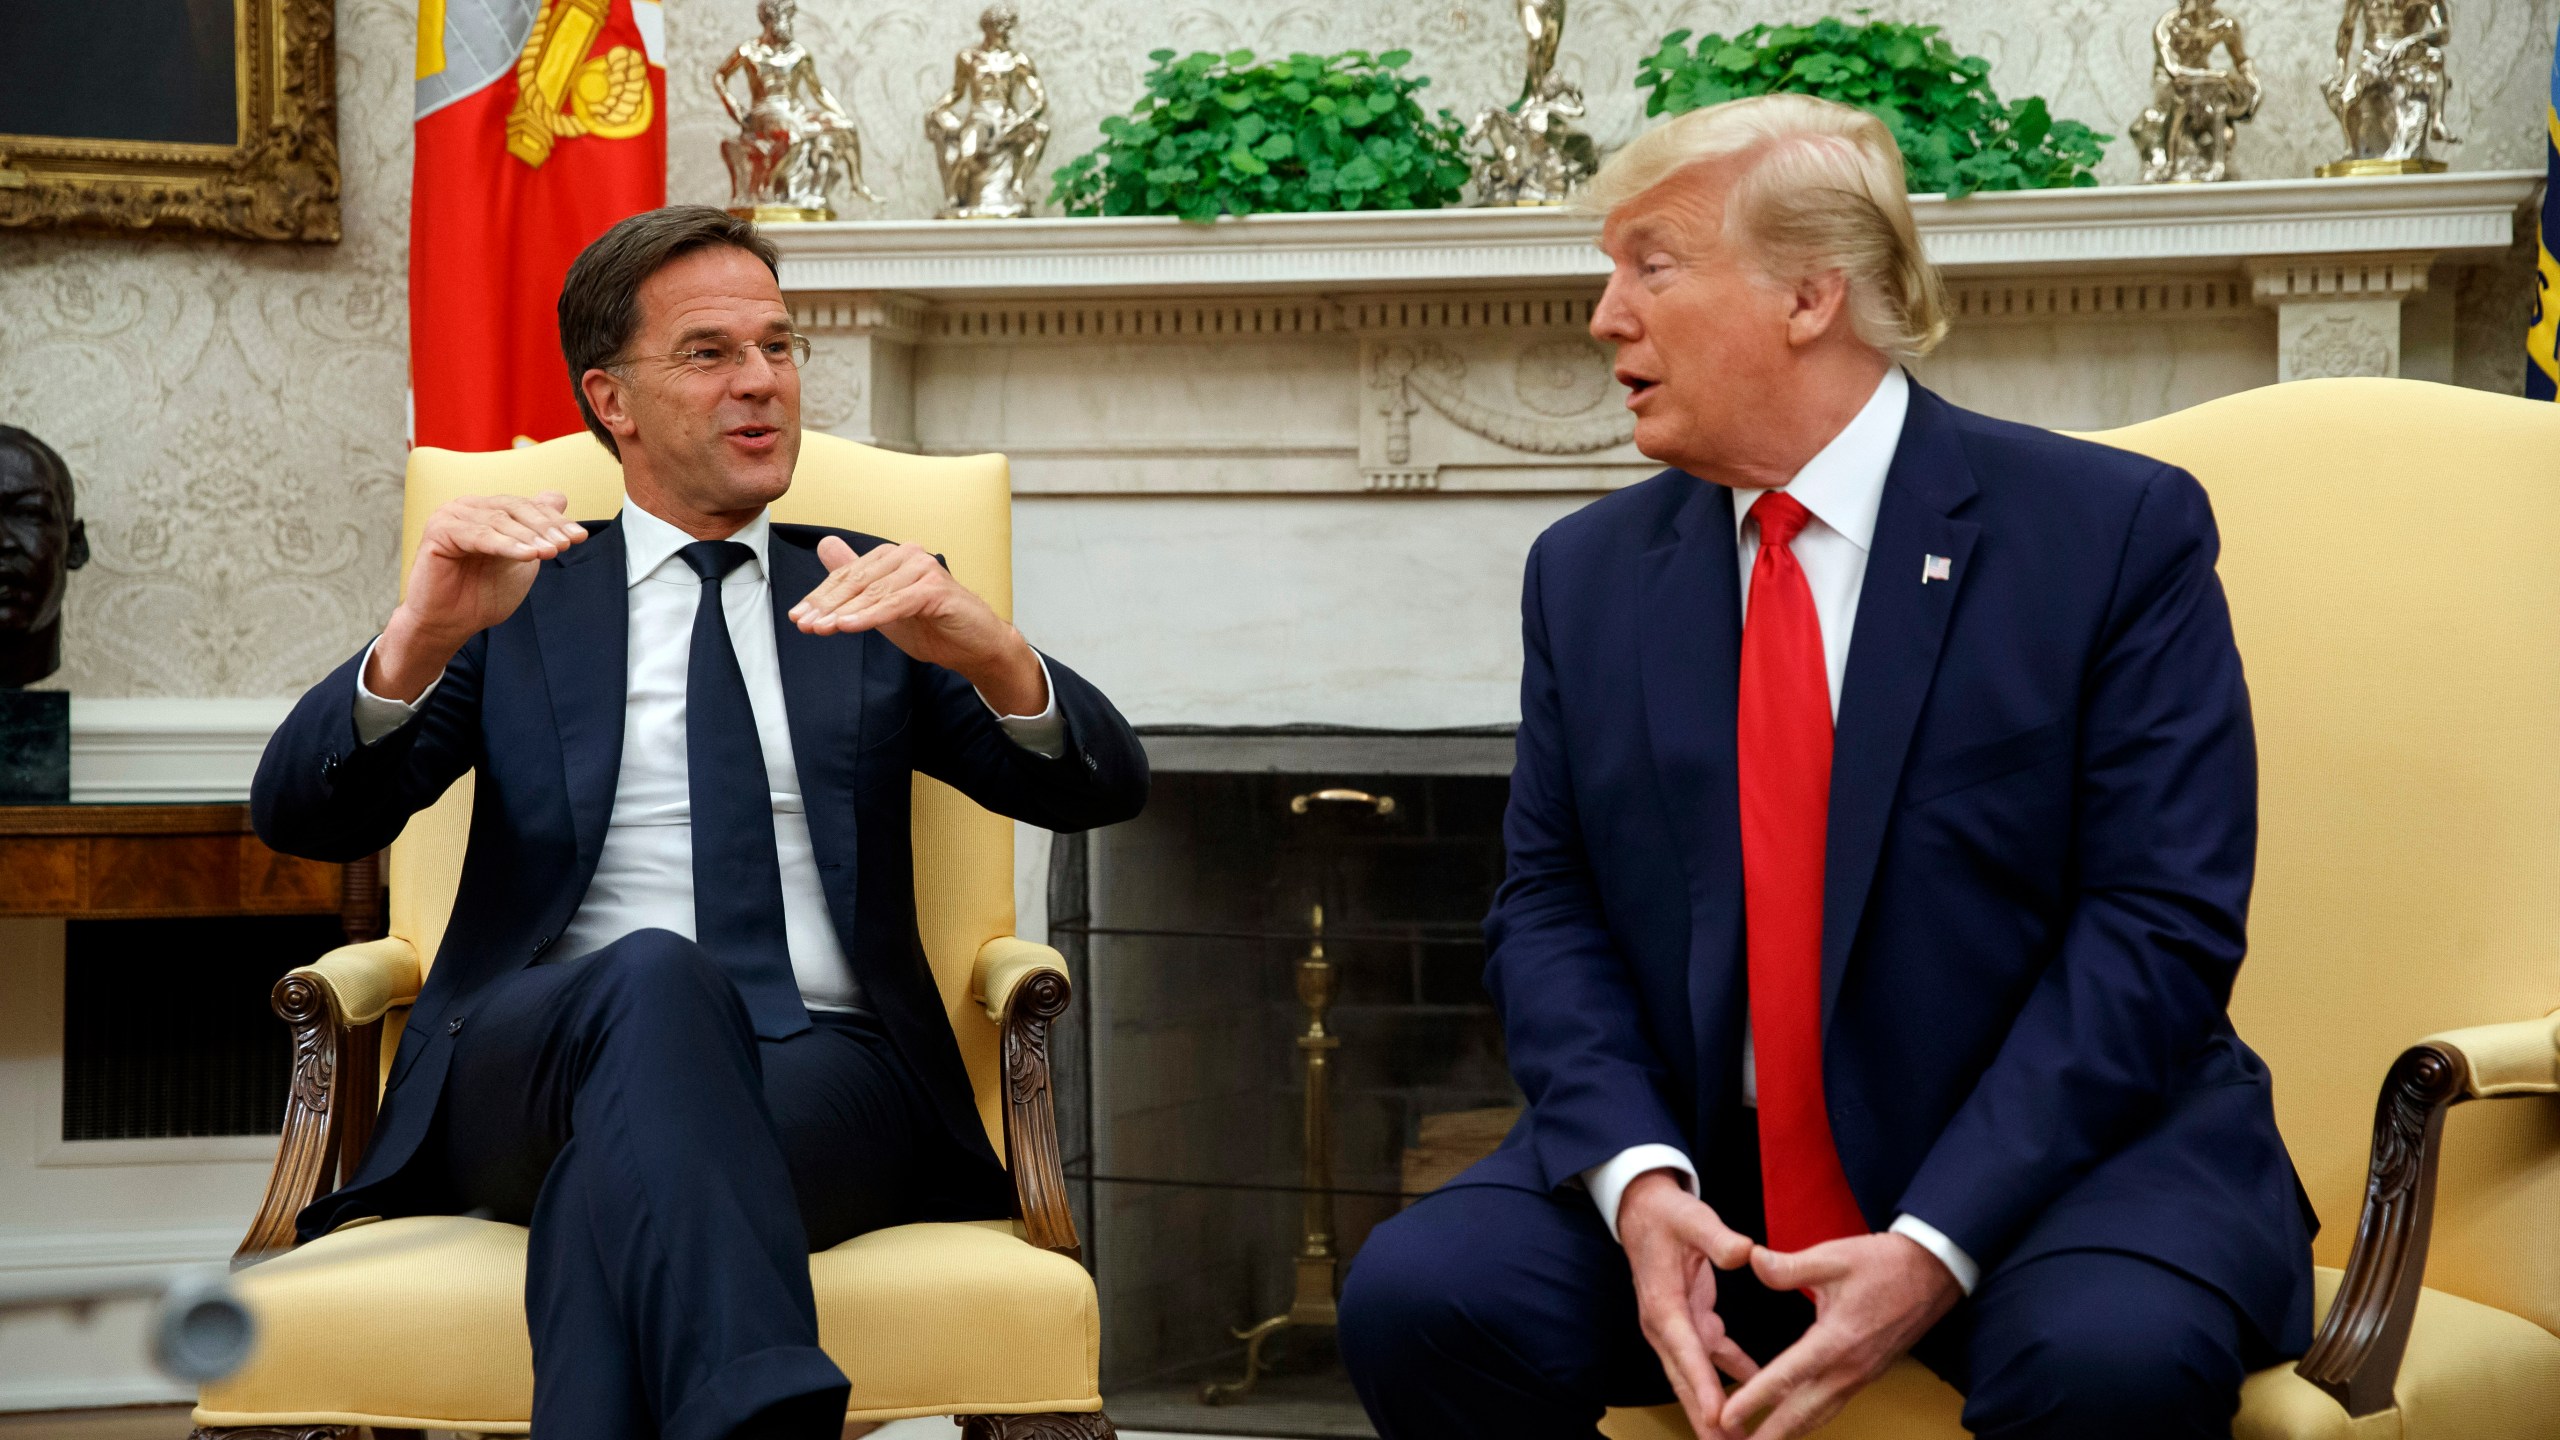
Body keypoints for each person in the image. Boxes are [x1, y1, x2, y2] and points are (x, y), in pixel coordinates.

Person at [1337, 94, 2314, 1440]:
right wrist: (1638, 1182)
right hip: (1712, 1177)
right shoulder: (1590, 575)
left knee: (2111, 1361)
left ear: (1809, 296)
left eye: (1650, 265)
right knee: (1422, 1296)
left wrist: (1936, 1241)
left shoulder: (2108, 537)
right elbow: (1547, 904)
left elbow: (2157, 926)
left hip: (2052, 1167)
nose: (1604, 315)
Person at [250, 205, 1147, 1440]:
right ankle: (764, 1405)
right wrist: (420, 638)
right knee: (656, 980)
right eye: (713, 353)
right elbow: (304, 815)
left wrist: (992, 649)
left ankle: (747, 1402)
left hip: (831, 1067)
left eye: (780, 348)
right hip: (536, 1058)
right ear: (611, 399)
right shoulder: (520, 596)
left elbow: (1098, 789)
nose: (764, 383)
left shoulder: (876, 591)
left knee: (612, 1196)